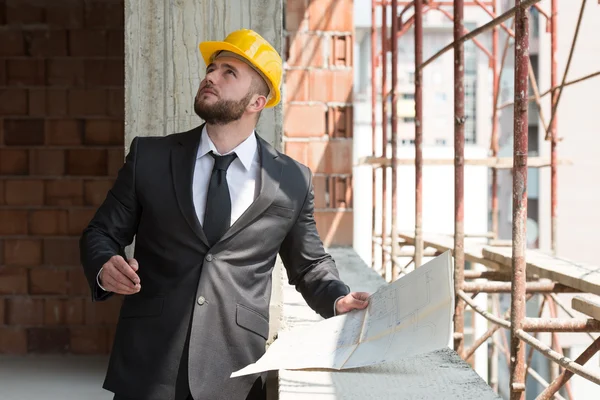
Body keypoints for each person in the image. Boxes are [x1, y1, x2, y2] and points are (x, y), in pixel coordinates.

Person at [79, 29, 370, 400]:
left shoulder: (291, 180)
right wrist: (104, 265)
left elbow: (310, 265)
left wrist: (337, 299)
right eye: (212, 68)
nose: (210, 76)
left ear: (256, 102)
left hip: (235, 374)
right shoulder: (149, 158)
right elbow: (100, 232)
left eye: (229, 72)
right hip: (148, 369)